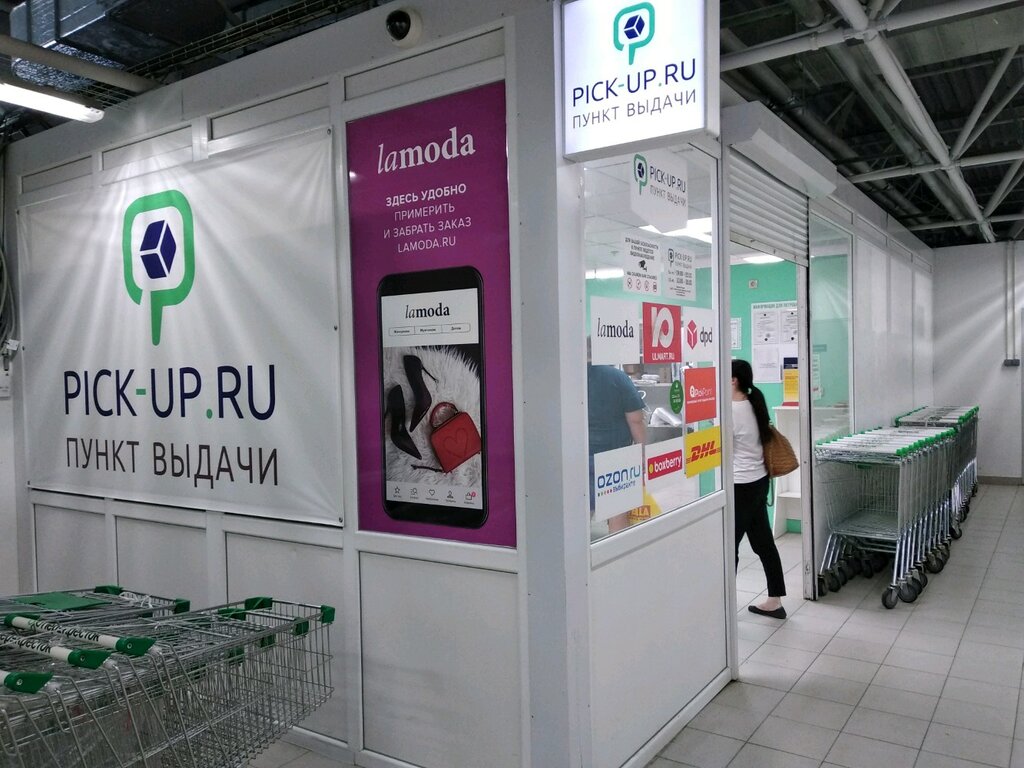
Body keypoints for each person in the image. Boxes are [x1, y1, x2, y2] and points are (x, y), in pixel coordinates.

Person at [731, 358, 787, 619]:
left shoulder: (732, 410)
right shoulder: (755, 402)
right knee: (764, 544)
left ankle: (725, 606)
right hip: (758, 481)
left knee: (729, 546)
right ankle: (775, 600)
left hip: (740, 485)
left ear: (733, 380)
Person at [587, 345, 647, 533]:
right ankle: (617, 548)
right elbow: (635, 419)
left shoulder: (569, 377)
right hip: (615, 455)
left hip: (579, 453)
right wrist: (643, 452)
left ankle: (577, 550)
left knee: (580, 508)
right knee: (617, 510)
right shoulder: (617, 377)